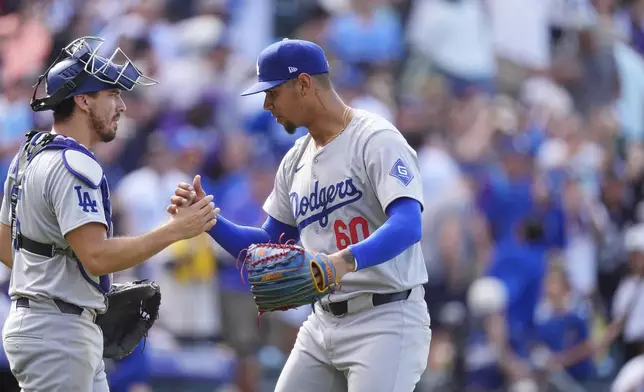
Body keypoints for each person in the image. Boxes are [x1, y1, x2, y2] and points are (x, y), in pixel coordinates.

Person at [169, 38, 431, 391]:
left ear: (304, 84)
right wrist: (211, 221)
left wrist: (344, 260)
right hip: (322, 321)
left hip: (386, 317)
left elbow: (407, 224)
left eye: (273, 92)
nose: (267, 104)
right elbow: (268, 243)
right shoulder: (295, 160)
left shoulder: (375, 138)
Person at [0, 36, 218, 392]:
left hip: (46, 325)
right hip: (58, 335)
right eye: (112, 95)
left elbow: (7, 247)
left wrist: (74, 286)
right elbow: (97, 256)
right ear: (83, 101)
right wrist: (175, 230)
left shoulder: (27, 155)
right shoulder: (76, 164)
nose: (122, 106)